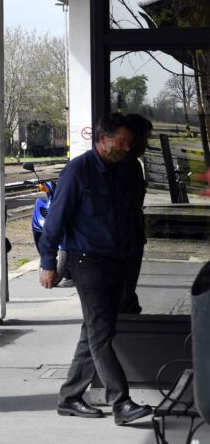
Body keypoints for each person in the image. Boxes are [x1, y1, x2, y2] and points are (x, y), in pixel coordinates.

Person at [38, 113, 152, 426]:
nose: (127, 148)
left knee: (93, 329)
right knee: (102, 332)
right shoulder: (78, 171)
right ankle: (121, 402)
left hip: (120, 260)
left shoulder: (128, 167)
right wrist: (48, 263)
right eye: (121, 142)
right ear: (101, 139)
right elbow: (55, 221)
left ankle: (71, 396)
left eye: (129, 142)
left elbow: (132, 217)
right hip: (87, 261)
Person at [118, 113, 152, 314]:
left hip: (129, 240)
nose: (146, 144)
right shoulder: (129, 164)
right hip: (126, 243)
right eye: (145, 137)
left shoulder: (128, 164)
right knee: (123, 298)